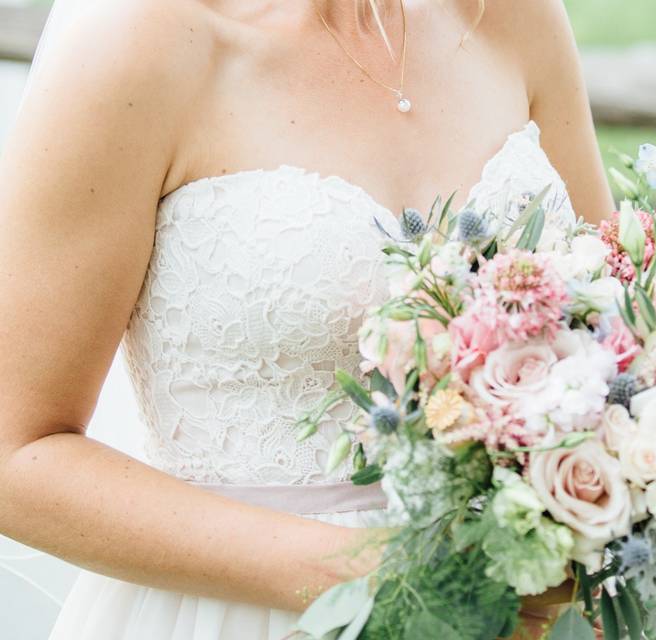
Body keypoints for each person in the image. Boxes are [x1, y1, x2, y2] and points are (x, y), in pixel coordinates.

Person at [0, 1, 613, 638]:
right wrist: (379, 575)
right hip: (245, 617)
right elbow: (14, 456)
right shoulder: (139, 37)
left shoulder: (515, 16)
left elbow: (617, 331)